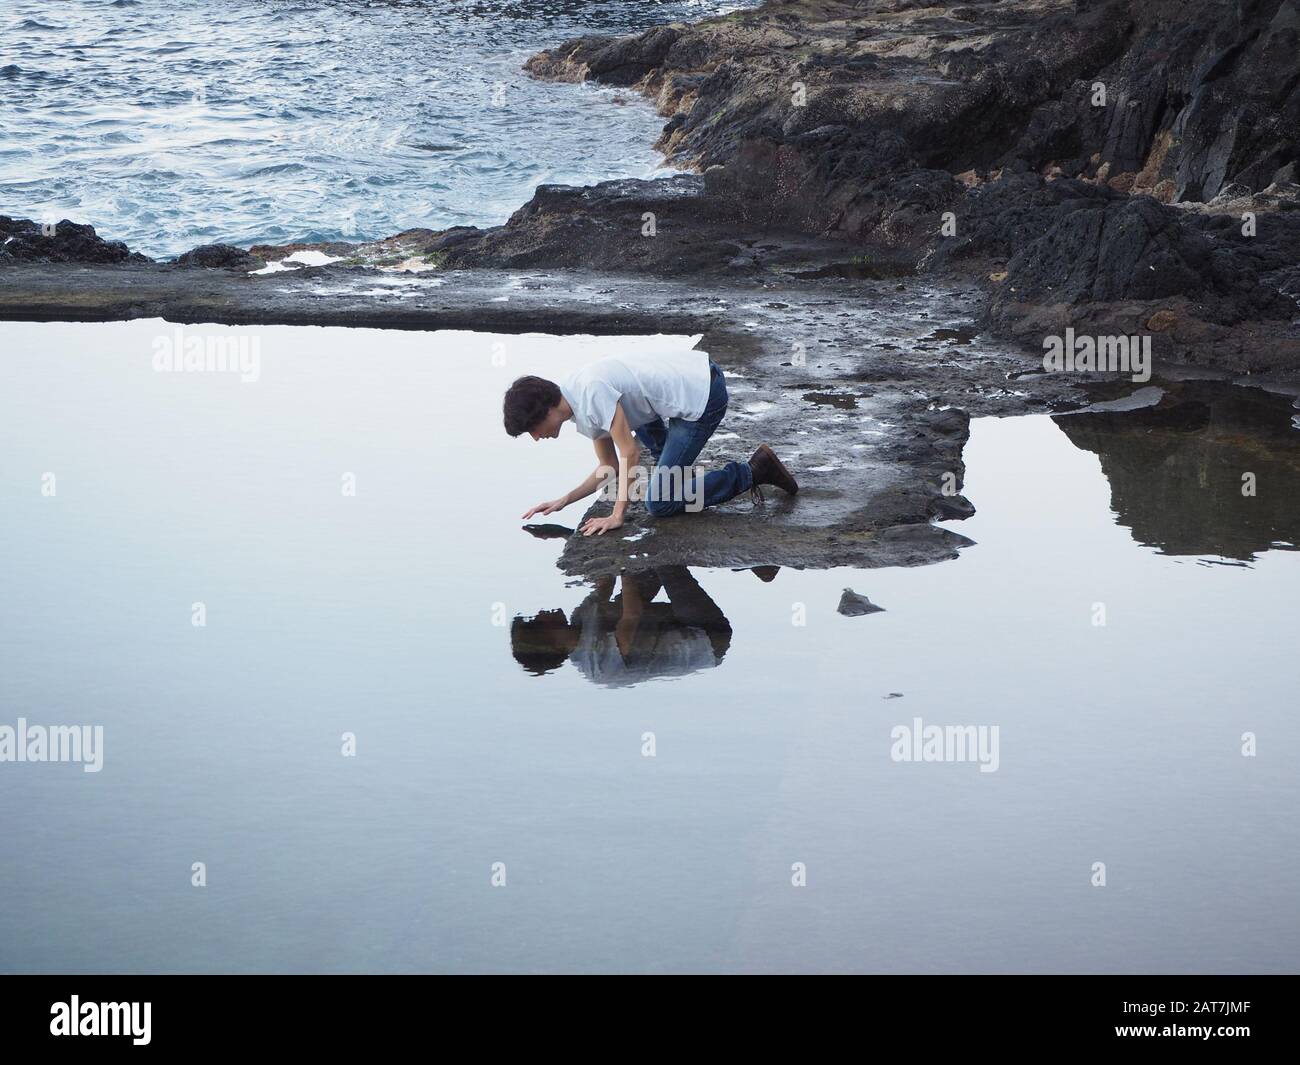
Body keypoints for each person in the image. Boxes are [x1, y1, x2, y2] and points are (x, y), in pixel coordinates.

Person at [503, 349, 798, 536]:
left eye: (533, 428)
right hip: (677, 389)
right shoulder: (574, 400)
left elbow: (628, 453)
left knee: (659, 503)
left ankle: (754, 471)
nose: (536, 437)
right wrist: (564, 500)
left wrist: (618, 515)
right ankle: (674, 475)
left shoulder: (590, 393)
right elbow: (608, 466)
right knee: (663, 475)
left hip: (702, 393)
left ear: (546, 410)